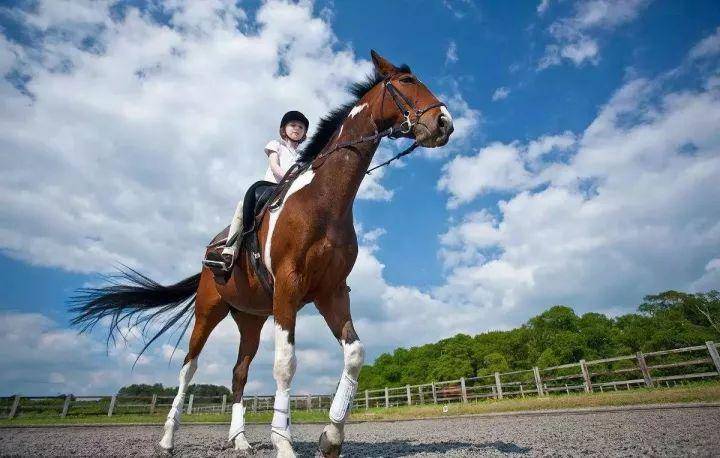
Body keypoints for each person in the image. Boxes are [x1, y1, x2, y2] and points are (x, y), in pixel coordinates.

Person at [204, 111, 309, 273]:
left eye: (301, 127)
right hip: (272, 188)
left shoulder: (303, 156)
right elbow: (274, 166)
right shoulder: (276, 145)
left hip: (294, 192)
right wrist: (291, 178)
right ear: (284, 129)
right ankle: (229, 252)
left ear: (304, 133)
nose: (297, 129)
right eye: (293, 125)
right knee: (242, 205)